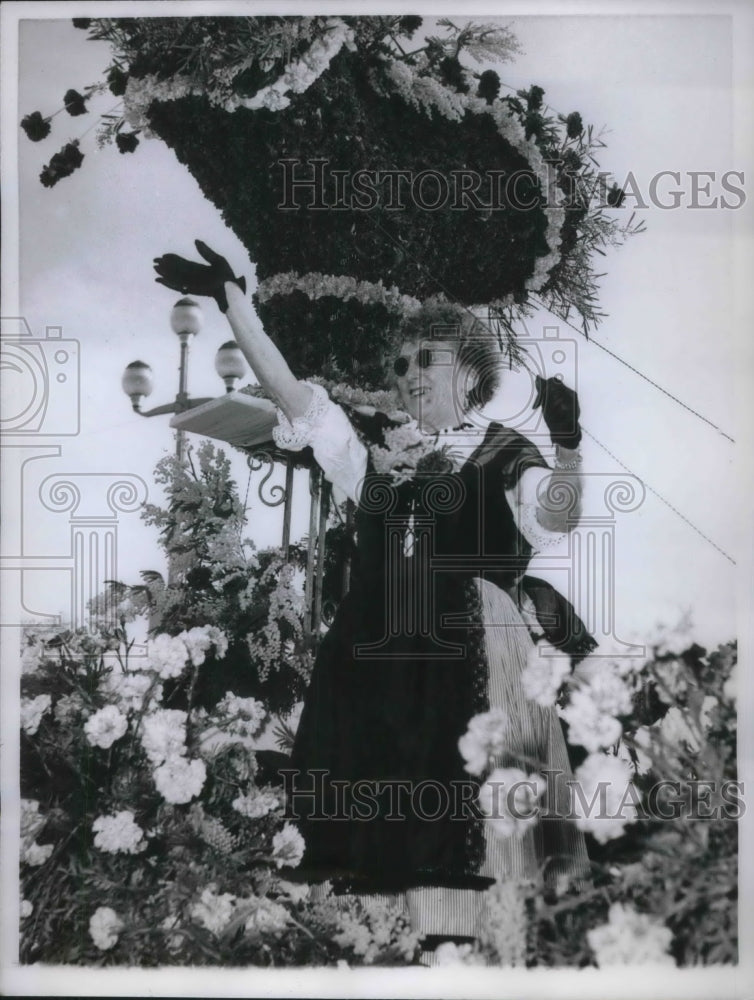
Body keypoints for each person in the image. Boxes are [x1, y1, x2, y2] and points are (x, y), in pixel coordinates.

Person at [154, 241, 595, 964]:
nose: (409, 375)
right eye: (400, 364)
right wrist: (235, 302)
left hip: (472, 658)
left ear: (473, 368)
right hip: (368, 668)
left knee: (462, 848)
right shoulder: (369, 454)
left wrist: (568, 446)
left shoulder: (506, 452)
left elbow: (557, 517)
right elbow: (293, 394)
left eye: (428, 358)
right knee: (357, 855)